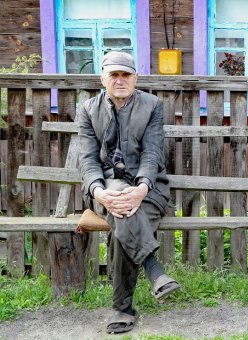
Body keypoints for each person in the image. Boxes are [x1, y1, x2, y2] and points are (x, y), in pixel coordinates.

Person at [78, 51, 179, 334]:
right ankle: (154, 271)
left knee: (122, 216)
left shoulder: (152, 105)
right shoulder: (88, 109)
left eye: (126, 75)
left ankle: (122, 308)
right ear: (103, 78)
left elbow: (152, 152)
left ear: (135, 78)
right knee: (119, 204)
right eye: (114, 75)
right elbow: (87, 159)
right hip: (105, 192)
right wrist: (98, 193)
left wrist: (142, 187)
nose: (120, 80)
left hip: (148, 191)